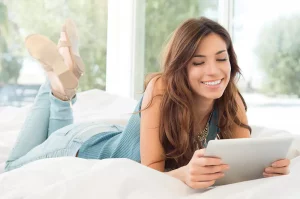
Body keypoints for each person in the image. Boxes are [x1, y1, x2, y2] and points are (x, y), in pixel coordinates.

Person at [5, 17, 290, 189]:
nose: (214, 72)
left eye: (221, 58)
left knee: (58, 109)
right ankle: (54, 83)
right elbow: (151, 173)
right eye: (198, 62)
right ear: (180, 65)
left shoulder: (231, 100)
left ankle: (61, 82)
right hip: (80, 148)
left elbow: (239, 161)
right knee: (11, 170)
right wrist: (184, 174)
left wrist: (265, 167)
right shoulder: (162, 88)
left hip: (103, 132)